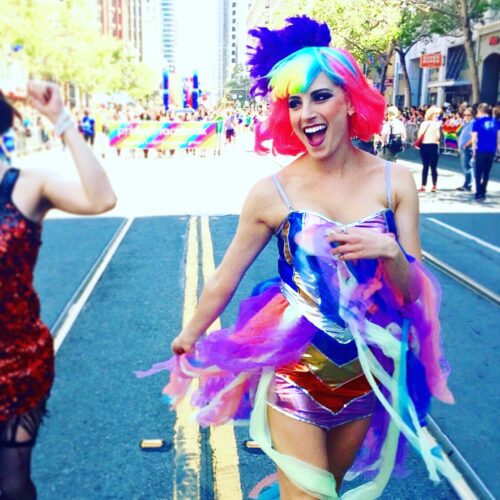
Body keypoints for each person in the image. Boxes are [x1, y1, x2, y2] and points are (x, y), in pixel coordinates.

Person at [137, 17, 454, 499]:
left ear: (349, 100)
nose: (306, 112)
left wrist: (390, 251)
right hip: (294, 370)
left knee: (334, 488)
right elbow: (225, 275)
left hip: (367, 373)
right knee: (312, 495)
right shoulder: (272, 192)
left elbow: (412, 296)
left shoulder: (396, 182)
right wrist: (189, 335)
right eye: (294, 103)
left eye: (320, 96)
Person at [0, 81, 116, 499]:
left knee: (11, 486)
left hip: (16, 363)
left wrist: (61, 119)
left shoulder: (25, 185)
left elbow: (100, 199)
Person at [471, 103, 500, 201]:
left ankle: (478, 192)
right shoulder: (496, 122)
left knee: (478, 172)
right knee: (487, 172)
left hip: (481, 149)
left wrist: (474, 150)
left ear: (480, 111)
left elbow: (474, 138)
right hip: (491, 150)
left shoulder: (477, 122)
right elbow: (498, 137)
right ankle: (483, 191)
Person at [416, 105, 442, 192]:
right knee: (433, 167)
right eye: (436, 113)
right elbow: (438, 137)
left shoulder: (424, 123)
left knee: (425, 166)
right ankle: (434, 185)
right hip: (433, 146)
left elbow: (419, 135)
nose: (437, 115)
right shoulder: (437, 124)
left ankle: (423, 186)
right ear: (432, 114)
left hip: (424, 146)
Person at [456, 107, 475, 191]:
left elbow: (473, 137)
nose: (466, 116)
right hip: (463, 148)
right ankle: (467, 184)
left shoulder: (472, 123)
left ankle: (468, 185)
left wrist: (466, 145)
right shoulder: (466, 123)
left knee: (467, 166)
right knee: (465, 166)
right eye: (465, 115)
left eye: (468, 115)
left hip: (467, 148)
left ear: (472, 115)